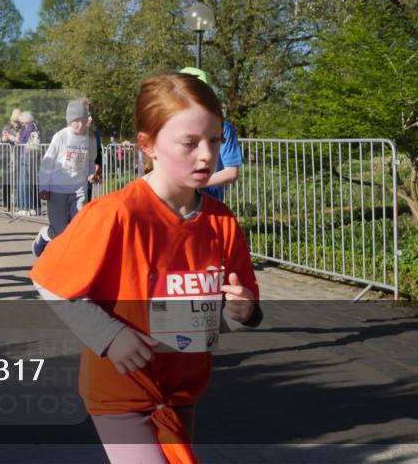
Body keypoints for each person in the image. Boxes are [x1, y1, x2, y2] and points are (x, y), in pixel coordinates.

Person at [30, 73, 262, 464]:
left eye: (214, 141)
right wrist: (110, 335)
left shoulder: (221, 222)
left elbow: (230, 309)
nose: (207, 155)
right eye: (190, 143)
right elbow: (49, 283)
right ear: (148, 144)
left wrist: (240, 311)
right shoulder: (115, 212)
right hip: (120, 390)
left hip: (183, 389)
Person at [33, 99, 94, 257]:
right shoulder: (60, 136)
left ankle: (70, 260)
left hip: (78, 189)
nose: (80, 125)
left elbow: (89, 159)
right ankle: (44, 235)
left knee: (79, 226)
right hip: (57, 188)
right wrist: (43, 187)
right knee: (59, 230)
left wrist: (91, 172)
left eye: (82, 121)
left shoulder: (88, 138)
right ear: (69, 121)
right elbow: (47, 163)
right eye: (76, 122)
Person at [178, 68, 242, 202]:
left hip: (208, 204)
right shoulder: (170, 127)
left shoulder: (223, 127)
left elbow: (232, 172)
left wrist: (193, 182)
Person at [15, 110, 40, 216]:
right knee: (28, 182)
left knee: (23, 182)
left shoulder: (28, 128)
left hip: (27, 157)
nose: (22, 124)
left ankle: (25, 208)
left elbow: (20, 140)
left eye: (22, 122)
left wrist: (14, 138)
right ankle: (30, 208)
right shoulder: (35, 126)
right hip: (31, 156)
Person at [0, 109, 22, 212]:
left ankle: (17, 203)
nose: (16, 123)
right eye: (15, 121)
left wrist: (10, 137)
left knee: (17, 181)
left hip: (18, 156)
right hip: (6, 156)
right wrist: (5, 138)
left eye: (18, 121)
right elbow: (2, 139)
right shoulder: (7, 127)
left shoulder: (23, 128)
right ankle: (6, 203)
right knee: (6, 180)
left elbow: (20, 140)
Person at [84, 100, 104, 206]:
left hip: (88, 180)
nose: (91, 119)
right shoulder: (67, 134)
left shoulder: (95, 132)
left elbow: (98, 151)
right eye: (87, 115)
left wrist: (98, 165)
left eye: (91, 115)